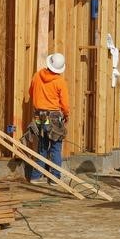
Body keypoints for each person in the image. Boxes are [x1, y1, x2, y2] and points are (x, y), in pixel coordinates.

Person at [28, 52, 70, 184]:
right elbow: (65, 104)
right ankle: (54, 178)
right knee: (56, 147)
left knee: (42, 146)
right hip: (53, 117)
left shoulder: (37, 75)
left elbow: (31, 92)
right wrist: (66, 115)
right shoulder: (60, 81)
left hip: (39, 117)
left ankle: (35, 177)